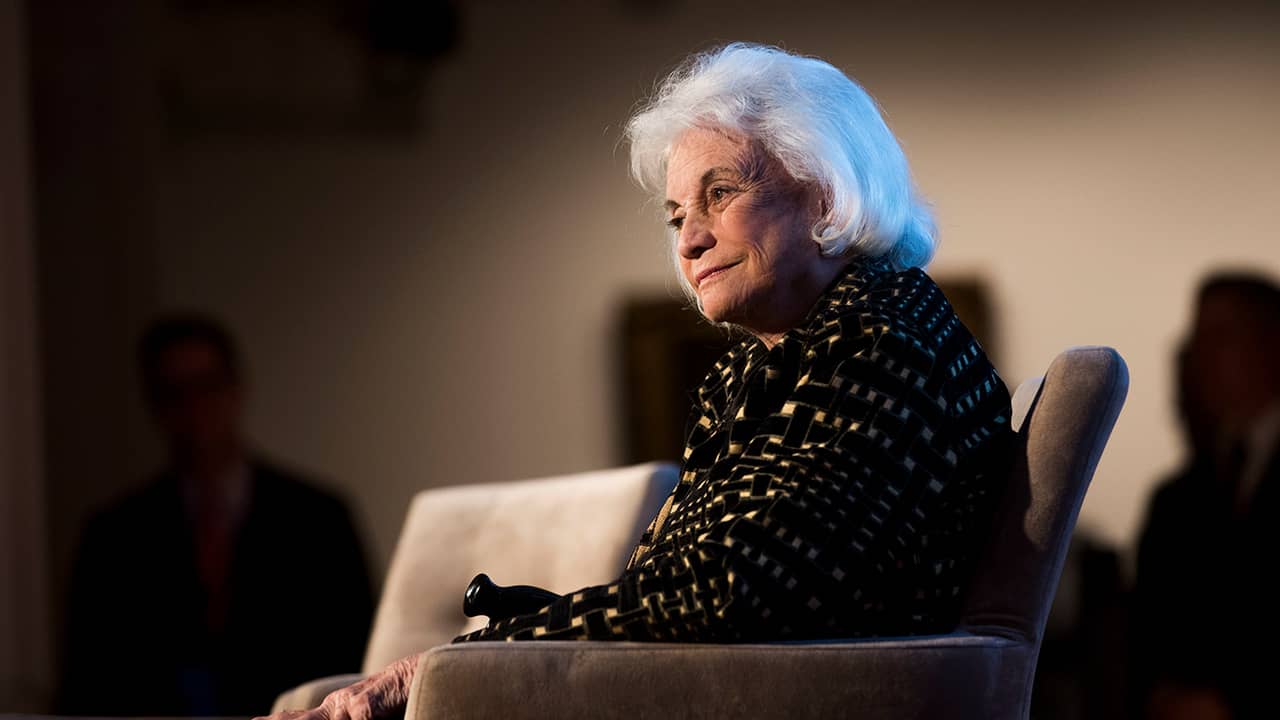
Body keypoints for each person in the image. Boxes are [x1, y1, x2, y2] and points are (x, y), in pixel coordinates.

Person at [263, 42, 1013, 720]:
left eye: (720, 195)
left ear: (824, 192)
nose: (688, 239)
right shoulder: (776, 361)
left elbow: (729, 589)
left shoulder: (881, 337)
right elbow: (684, 590)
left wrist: (463, 660)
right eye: (676, 213)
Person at [60, 314, 375, 716]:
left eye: (207, 387)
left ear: (235, 389)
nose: (194, 409)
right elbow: (87, 683)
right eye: (175, 393)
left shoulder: (319, 521)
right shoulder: (113, 535)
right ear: (153, 405)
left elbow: (360, 663)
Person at [1132, 273, 1280, 720]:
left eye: (1222, 338)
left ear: (1271, 343)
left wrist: (1235, 702)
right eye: (1198, 341)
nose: (1202, 360)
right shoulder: (1177, 497)